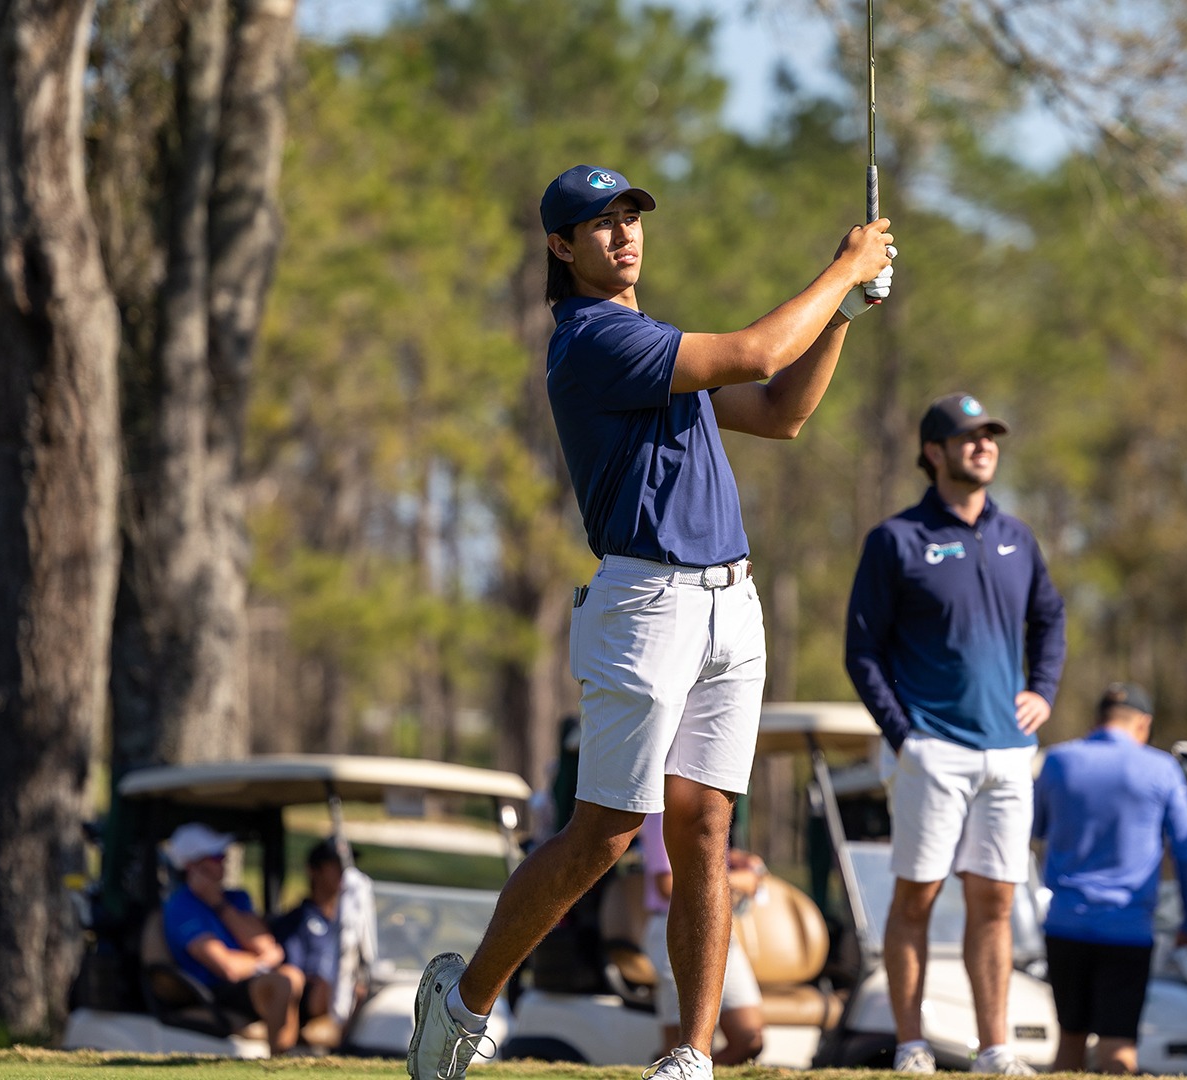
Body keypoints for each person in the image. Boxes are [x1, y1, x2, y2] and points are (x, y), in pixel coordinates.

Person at [407, 163, 895, 1080]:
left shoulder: (650, 343)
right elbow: (757, 355)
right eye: (601, 223)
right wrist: (843, 267)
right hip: (646, 604)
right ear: (562, 247)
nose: (624, 233)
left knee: (707, 827)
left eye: (632, 216)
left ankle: (691, 1054)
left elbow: (781, 412)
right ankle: (463, 1000)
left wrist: (843, 313)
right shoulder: (593, 339)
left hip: (731, 604)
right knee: (606, 833)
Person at [844, 392, 1067, 1075]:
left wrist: (1043, 689)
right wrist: (904, 736)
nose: (984, 446)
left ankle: (994, 1050)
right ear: (933, 452)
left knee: (996, 901)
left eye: (990, 436)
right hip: (931, 750)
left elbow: (1050, 619)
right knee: (917, 895)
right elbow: (862, 651)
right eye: (969, 436)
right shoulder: (897, 539)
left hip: (1008, 753)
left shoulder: (1017, 537)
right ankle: (912, 1045)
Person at [1032, 682, 1187, 1075]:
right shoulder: (1162, 768)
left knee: (1070, 1037)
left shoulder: (1058, 761)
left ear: (1098, 720)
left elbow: (1036, 828)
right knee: (1118, 1044)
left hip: (1064, 924)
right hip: (1127, 930)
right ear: (1143, 724)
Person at [159, 822, 306, 1054]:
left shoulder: (235, 899)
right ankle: (280, 1062)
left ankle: (292, 1056)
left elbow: (266, 945)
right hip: (212, 991)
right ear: (192, 866)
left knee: (293, 976)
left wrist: (218, 904)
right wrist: (262, 962)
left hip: (248, 983)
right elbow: (227, 968)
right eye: (216, 857)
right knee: (282, 982)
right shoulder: (181, 907)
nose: (224, 860)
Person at [638, 811, 768, 1064]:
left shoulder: (711, 808)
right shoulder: (660, 814)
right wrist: (737, 880)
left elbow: (701, 857)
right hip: (675, 928)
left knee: (749, 1039)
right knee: (677, 1048)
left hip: (717, 928)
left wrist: (734, 859)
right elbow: (667, 885)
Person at [270, 840, 367, 1042]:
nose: (344, 873)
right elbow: (293, 969)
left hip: (344, 988)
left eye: (348, 866)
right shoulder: (296, 921)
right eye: (336, 866)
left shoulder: (353, 922)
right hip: (310, 997)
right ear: (314, 871)